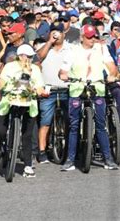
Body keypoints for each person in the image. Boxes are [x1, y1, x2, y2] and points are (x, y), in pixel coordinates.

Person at [59, 24, 119, 171]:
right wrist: (64, 75)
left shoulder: (101, 48)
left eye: (94, 36)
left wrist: (112, 75)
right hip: (77, 89)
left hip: (97, 88)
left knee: (100, 124)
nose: (93, 39)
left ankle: (108, 159)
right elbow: (63, 71)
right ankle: (70, 159)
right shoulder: (73, 50)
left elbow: (111, 66)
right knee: (74, 126)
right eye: (89, 36)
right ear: (82, 37)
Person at [0, 44, 44, 178]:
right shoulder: (10, 67)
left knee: (27, 135)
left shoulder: (35, 69)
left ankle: (28, 165)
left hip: (29, 103)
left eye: (30, 57)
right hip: (9, 100)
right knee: (0, 129)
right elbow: (2, 80)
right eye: (26, 56)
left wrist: (40, 91)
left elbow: (40, 86)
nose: (28, 59)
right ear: (19, 56)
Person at [36, 23, 71, 164]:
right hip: (48, 90)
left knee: (70, 120)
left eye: (59, 32)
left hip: (66, 89)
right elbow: (37, 58)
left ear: (64, 34)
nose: (56, 34)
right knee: (45, 121)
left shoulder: (70, 49)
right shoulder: (44, 47)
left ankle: (69, 149)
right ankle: (42, 151)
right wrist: (49, 42)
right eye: (53, 32)